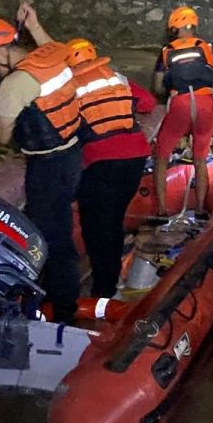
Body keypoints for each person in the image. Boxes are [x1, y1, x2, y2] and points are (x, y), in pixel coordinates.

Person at [0, 4, 83, 320]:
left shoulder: (13, 85)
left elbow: (3, 136)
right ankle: (52, 290)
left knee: (51, 235)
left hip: (47, 167)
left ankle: (61, 307)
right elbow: (47, 44)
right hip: (73, 154)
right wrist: (34, 24)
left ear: (2, 53)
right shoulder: (53, 55)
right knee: (47, 225)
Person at [65, 36, 157, 298]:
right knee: (113, 220)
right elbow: (148, 103)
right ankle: (111, 280)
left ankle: (103, 290)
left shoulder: (69, 87)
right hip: (135, 157)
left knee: (96, 227)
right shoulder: (117, 77)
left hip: (101, 160)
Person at [151, 6, 213, 219]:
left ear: (173, 28)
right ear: (194, 25)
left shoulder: (167, 51)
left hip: (181, 104)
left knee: (161, 155)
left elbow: (158, 87)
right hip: (205, 104)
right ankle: (202, 209)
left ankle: (161, 210)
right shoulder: (207, 48)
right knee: (200, 157)